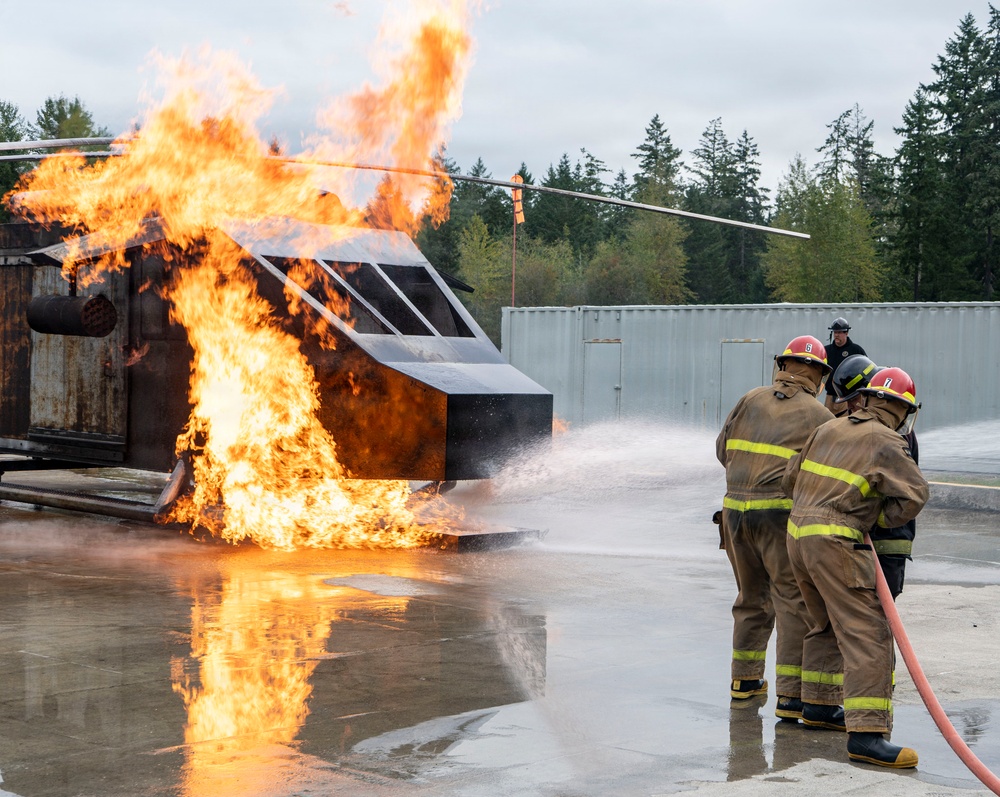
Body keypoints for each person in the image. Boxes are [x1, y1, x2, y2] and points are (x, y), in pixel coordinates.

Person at [782, 367, 929, 768]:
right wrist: (873, 518)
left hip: (797, 536)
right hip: (835, 540)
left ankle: (818, 707)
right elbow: (915, 496)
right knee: (869, 633)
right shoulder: (887, 440)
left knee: (825, 623)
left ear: (867, 397)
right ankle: (866, 736)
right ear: (899, 408)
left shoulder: (829, 427)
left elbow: (789, 477)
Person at [716, 335, 837, 723]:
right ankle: (790, 697)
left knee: (750, 597)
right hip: (778, 518)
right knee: (791, 603)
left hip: (734, 512)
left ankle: (745, 682)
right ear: (817, 373)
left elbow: (723, 449)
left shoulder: (751, 398)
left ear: (783, 366)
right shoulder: (820, 417)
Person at [830, 355, 917, 599]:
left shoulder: (892, 436)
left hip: (884, 544)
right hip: (859, 541)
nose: (849, 408)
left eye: (854, 399)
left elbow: (910, 495)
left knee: (875, 624)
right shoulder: (867, 429)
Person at [822, 317, 866, 413]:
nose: (836, 335)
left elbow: (866, 372)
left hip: (849, 400)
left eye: (839, 332)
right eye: (835, 332)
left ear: (846, 333)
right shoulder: (826, 351)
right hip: (830, 398)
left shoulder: (856, 350)